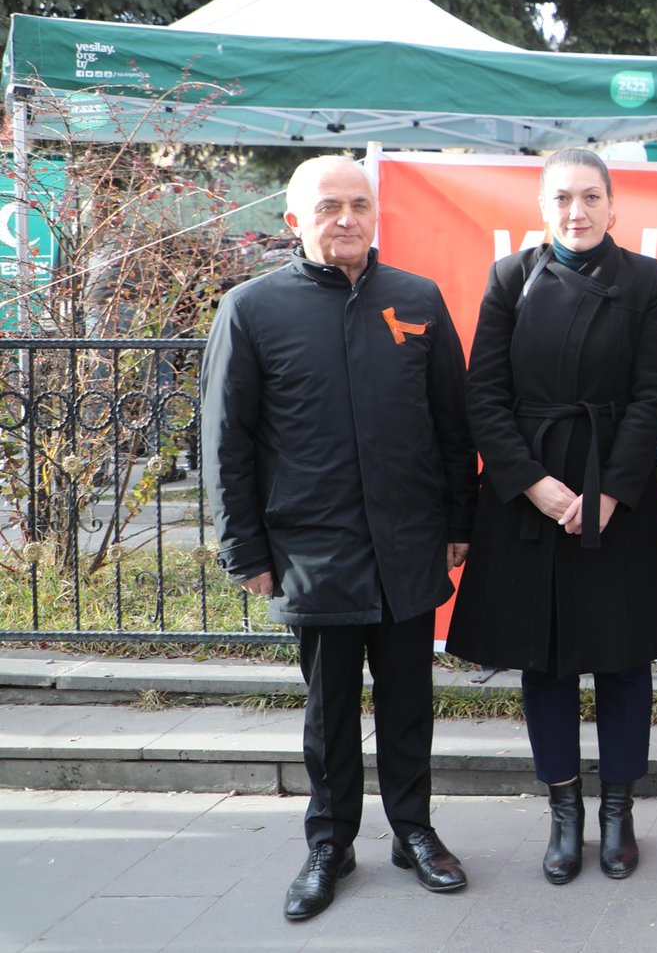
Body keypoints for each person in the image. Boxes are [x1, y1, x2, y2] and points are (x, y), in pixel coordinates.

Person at [201, 155, 475, 922]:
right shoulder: (252, 310)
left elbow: (453, 425)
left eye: (359, 203)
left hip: (408, 543)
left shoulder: (416, 299)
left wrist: (460, 522)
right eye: (328, 206)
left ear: (376, 214)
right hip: (310, 548)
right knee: (329, 710)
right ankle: (331, 842)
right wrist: (243, 549)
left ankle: (414, 832)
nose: (346, 218)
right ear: (295, 220)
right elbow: (227, 441)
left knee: (409, 700)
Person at [445, 149, 657, 885]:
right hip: (530, 497)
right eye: (561, 199)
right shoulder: (511, 278)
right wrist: (534, 485)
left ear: (614, 206)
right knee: (543, 660)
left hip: (619, 490)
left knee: (621, 657)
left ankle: (618, 811)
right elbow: (482, 393)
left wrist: (609, 490)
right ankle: (564, 811)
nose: (576, 212)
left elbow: (654, 395)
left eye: (589, 197)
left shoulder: (645, 281)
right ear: (542, 208)